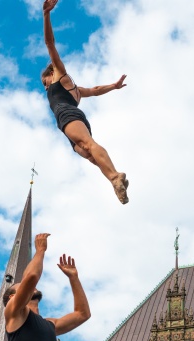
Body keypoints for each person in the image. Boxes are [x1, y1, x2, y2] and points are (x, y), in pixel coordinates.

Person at [42, 0, 130, 204]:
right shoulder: (76, 91)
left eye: (45, 83)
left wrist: (46, 14)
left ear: (51, 73)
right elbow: (95, 90)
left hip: (68, 115)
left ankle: (115, 176)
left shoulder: (59, 75)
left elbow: (49, 43)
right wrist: (113, 86)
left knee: (89, 144)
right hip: (71, 119)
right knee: (88, 154)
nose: (46, 87)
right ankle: (115, 180)